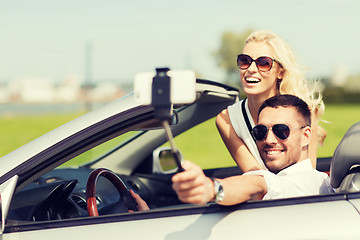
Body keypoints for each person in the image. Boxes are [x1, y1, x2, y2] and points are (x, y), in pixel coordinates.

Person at [172, 95, 333, 206]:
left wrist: (212, 189)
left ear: (306, 136)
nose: (269, 140)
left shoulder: (304, 183)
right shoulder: (318, 180)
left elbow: (257, 185)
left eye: (281, 130)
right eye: (260, 131)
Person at [216, 30, 326, 172]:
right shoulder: (227, 120)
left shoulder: (305, 112)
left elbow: (307, 177)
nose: (251, 69)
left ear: (280, 72)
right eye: (245, 61)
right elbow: (256, 176)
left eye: (263, 63)